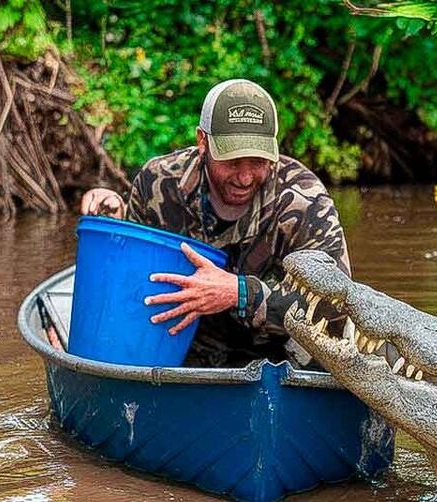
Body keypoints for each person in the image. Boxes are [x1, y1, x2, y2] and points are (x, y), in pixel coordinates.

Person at [79, 79, 350, 367]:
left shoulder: (304, 201)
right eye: (232, 161)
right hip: (179, 348)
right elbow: (127, 281)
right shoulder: (157, 183)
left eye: (258, 161)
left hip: (278, 359)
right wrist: (112, 223)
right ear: (202, 141)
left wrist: (242, 293)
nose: (245, 177)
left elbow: (336, 306)